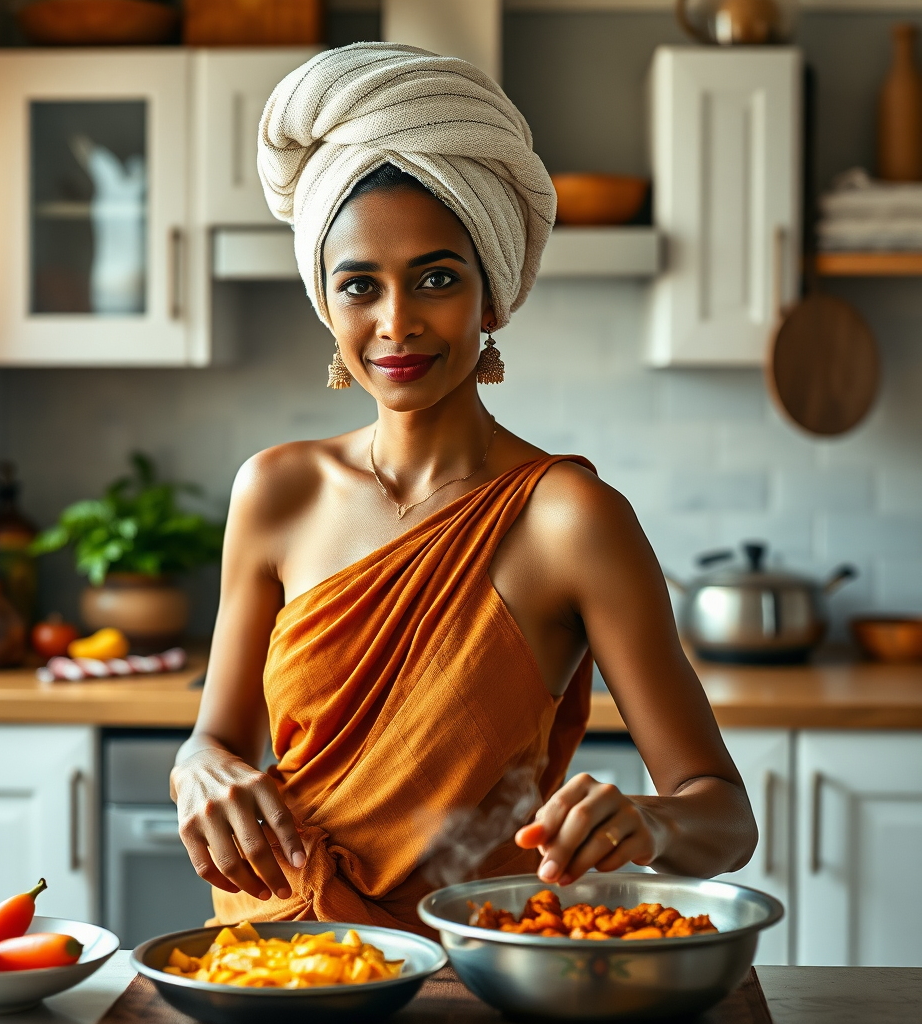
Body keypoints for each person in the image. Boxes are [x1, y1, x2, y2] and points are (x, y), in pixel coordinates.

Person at [170, 42, 756, 934]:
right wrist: (199, 767)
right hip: (274, 963)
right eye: (359, 285)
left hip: (471, 971)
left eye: (437, 278)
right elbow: (217, 739)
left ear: (493, 297)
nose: (396, 322)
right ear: (328, 306)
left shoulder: (569, 520)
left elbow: (724, 815)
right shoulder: (275, 492)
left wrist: (652, 819)